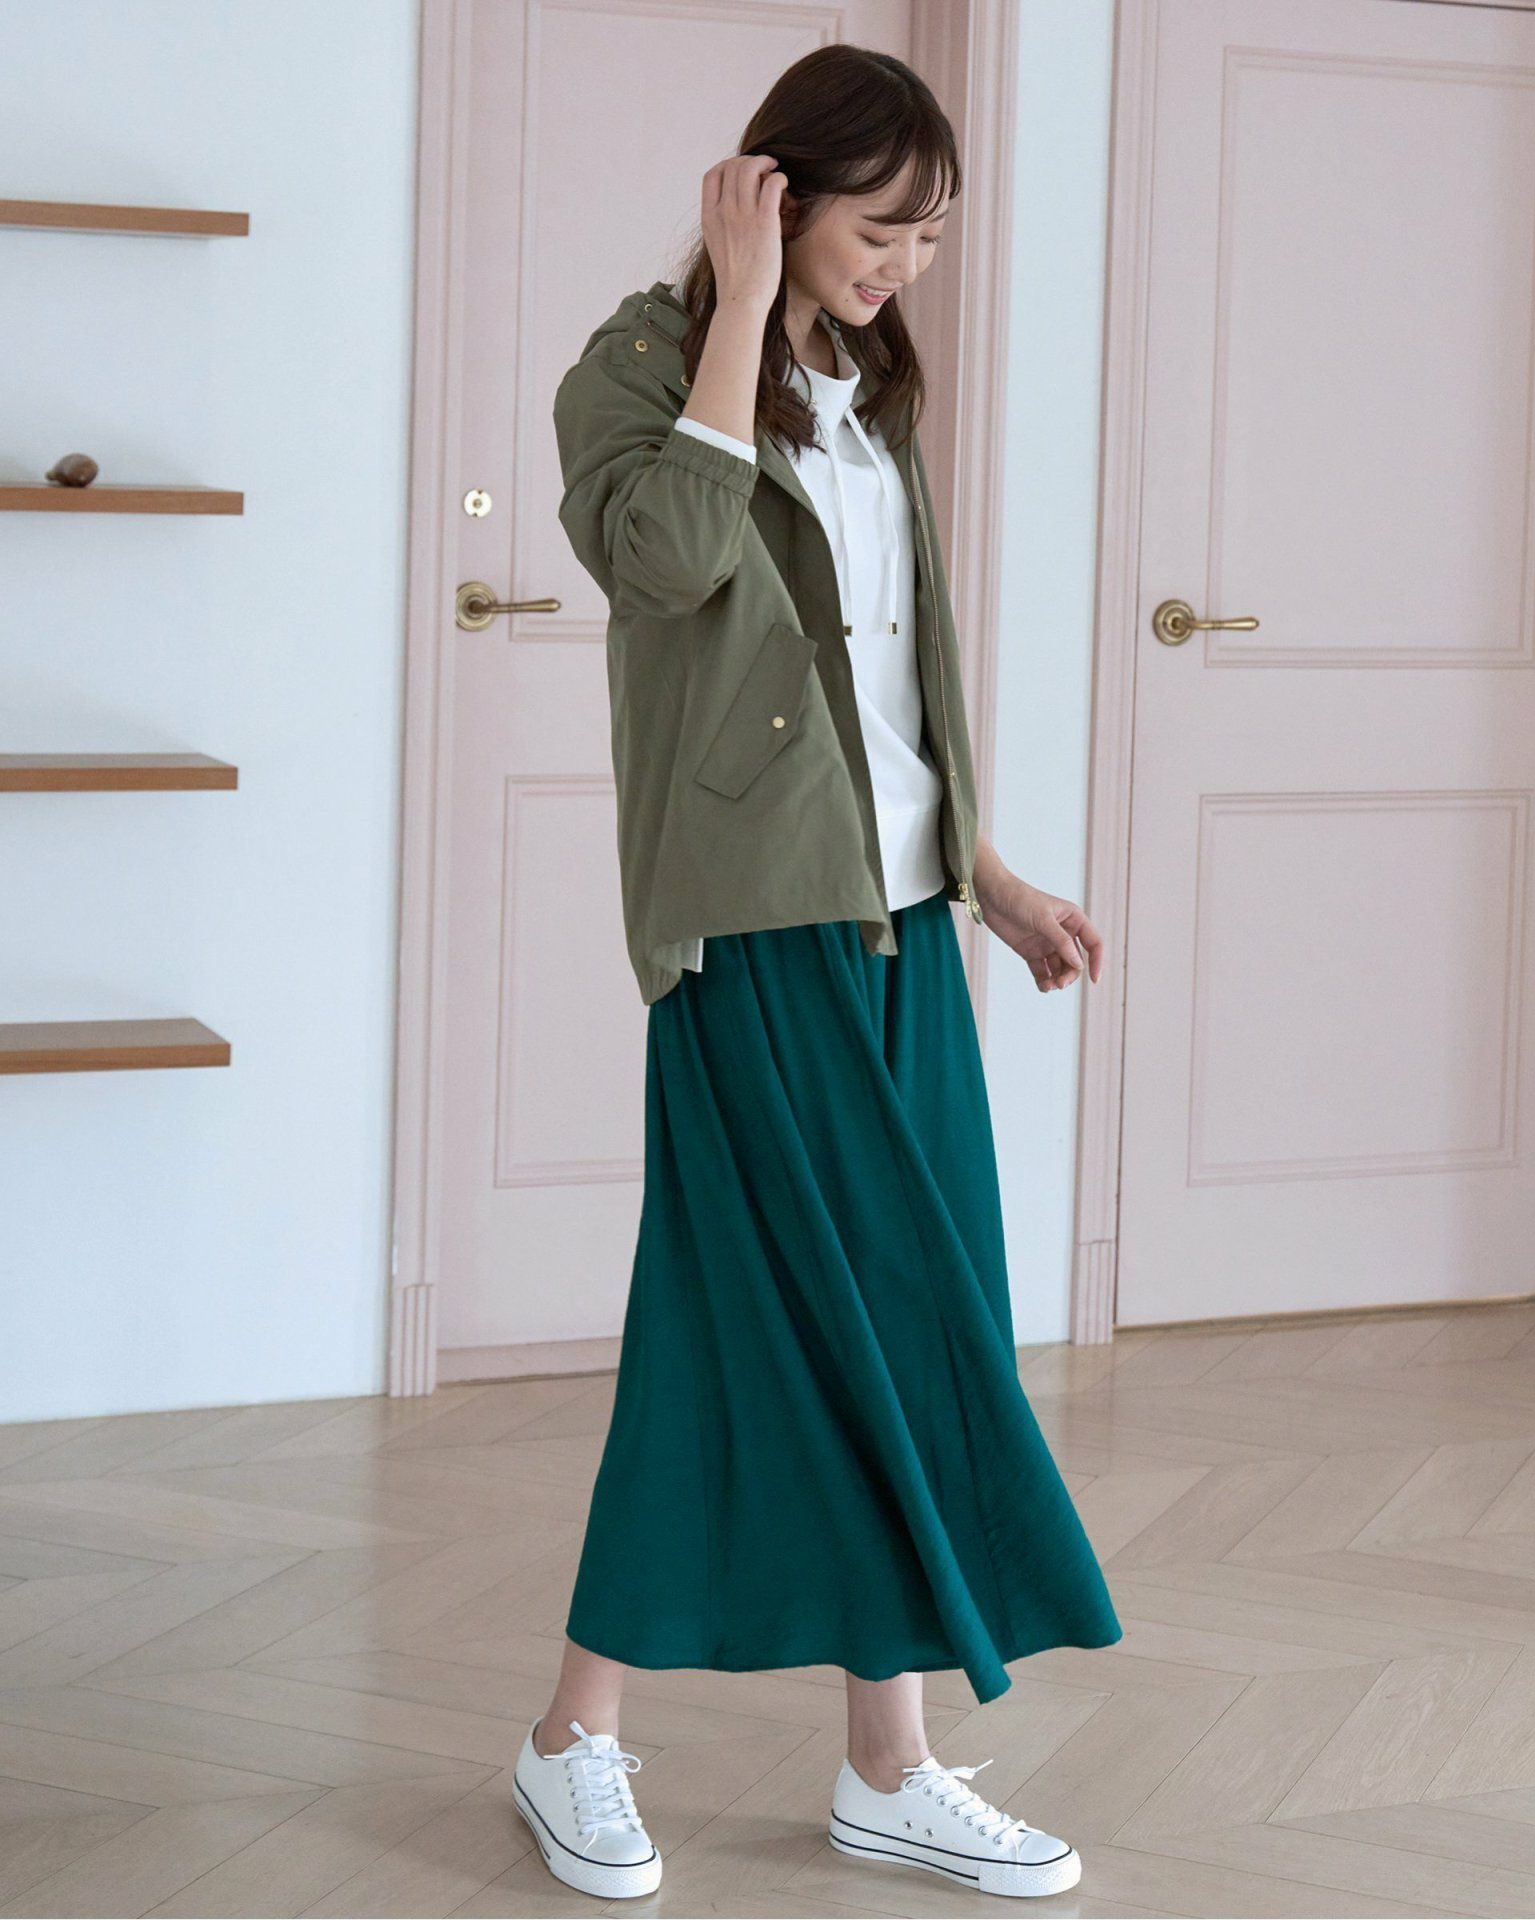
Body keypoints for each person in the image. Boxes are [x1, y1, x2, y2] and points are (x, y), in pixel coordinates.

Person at [512, 43, 1122, 1905]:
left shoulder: (872, 393)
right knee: (737, 1324)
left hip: (902, 923)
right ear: (772, 197)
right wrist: (738, 308)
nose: (908, 266)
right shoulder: (638, 366)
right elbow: (667, 557)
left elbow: (893, 679)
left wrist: (987, 876)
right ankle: (573, 1739)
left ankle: (888, 1766)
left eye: (934, 236)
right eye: (882, 230)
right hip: (754, 929)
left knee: (922, 1323)